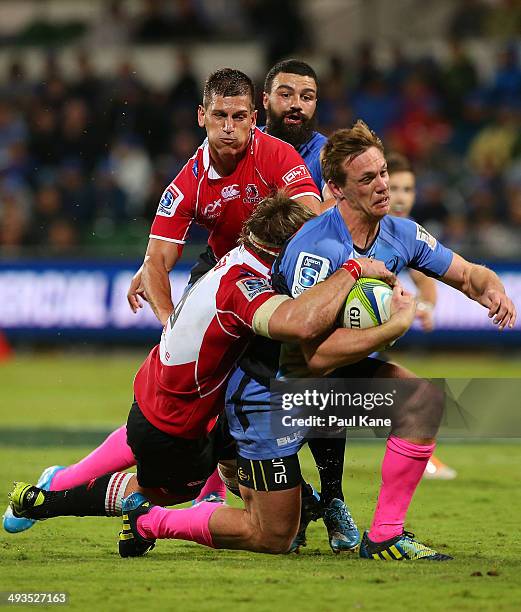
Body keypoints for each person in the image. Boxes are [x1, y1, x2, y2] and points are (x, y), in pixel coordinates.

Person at [3, 67, 322, 534]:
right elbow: (156, 262)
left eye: (238, 116)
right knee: (184, 408)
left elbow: (312, 221)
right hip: (222, 278)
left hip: (273, 282)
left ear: (254, 118)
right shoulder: (188, 182)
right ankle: (245, 489)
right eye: (219, 116)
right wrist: (171, 320)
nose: (229, 127)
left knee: (254, 391)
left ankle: (300, 493)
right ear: (201, 117)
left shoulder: (278, 154)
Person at [9, 194, 409, 559]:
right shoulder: (246, 288)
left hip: (171, 391)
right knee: (150, 494)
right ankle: (47, 500)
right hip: (176, 424)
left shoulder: (240, 256)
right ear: (284, 251)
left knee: (251, 478)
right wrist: (356, 273)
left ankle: (298, 501)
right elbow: (299, 325)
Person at [386, 152, 457, 480]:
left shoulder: (407, 232)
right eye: (394, 187)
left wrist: (424, 308)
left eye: (408, 190)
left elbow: (426, 283)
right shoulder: (357, 224)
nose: (400, 197)